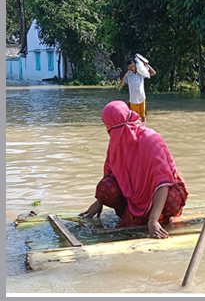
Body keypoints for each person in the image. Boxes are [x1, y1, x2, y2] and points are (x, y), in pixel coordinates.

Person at [79, 101, 188, 239]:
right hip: (134, 193)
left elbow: (163, 182)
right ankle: (132, 212)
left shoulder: (151, 140)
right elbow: (111, 174)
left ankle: (156, 216)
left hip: (163, 191)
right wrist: (99, 202)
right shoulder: (117, 142)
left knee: (170, 201)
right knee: (105, 189)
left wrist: (153, 220)